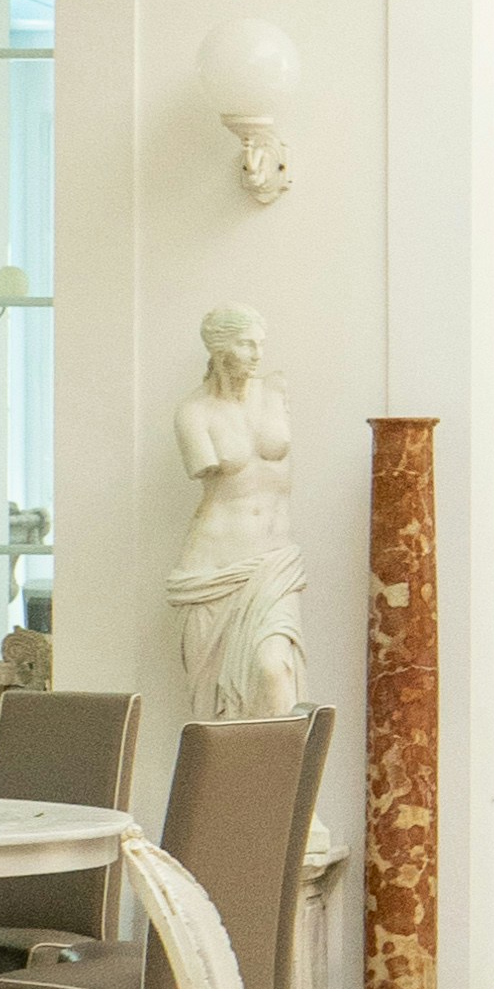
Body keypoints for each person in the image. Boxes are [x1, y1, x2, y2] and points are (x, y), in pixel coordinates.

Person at [168, 305, 306, 721]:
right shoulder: (193, 413)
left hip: (273, 565)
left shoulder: (276, 390)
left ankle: (284, 784)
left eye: (260, 343)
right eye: (247, 344)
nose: (257, 354)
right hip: (213, 568)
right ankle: (230, 784)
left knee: (273, 670)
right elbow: (207, 473)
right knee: (217, 707)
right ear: (220, 348)